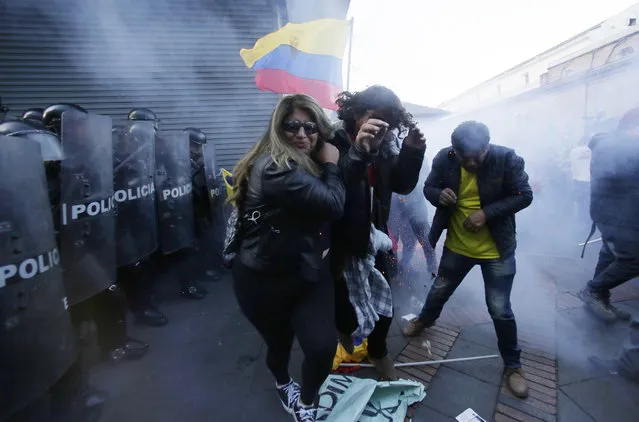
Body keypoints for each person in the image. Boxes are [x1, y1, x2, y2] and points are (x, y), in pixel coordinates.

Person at [229, 94, 345, 422]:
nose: (302, 134)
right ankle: (283, 384)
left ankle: (306, 404)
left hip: (308, 274)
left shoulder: (307, 160)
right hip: (264, 280)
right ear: (278, 128)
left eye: (311, 126)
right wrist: (333, 164)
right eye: (292, 125)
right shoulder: (275, 167)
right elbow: (333, 204)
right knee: (279, 346)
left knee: (322, 349)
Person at [403, 121, 533, 399]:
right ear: (455, 151)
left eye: (478, 155)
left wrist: (486, 213)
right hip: (457, 247)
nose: (472, 162)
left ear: (488, 146)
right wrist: (439, 195)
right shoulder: (444, 157)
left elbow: (524, 195)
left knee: (499, 308)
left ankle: (513, 365)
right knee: (440, 288)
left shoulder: (506, 158)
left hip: (496, 249)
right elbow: (428, 188)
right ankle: (424, 319)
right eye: (466, 158)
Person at [329, 85, 426, 380]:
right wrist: (359, 149)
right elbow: (336, 190)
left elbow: (401, 185)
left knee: (385, 305)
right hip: (340, 240)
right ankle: (346, 340)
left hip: (376, 237)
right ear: (356, 112)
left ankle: (378, 349)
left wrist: (412, 151)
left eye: (390, 123)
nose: (383, 127)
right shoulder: (331, 139)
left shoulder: (385, 146)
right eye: (377, 118)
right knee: (343, 304)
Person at [578, 108, 639, 323]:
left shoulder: (622, 145)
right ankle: (593, 290)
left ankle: (600, 298)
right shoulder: (614, 146)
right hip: (615, 214)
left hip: (621, 212)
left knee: (610, 255)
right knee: (633, 260)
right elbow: (613, 177)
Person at [568, 136, 592, 230]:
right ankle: (587, 225)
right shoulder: (584, 150)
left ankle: (582, 225)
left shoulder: (573, 151)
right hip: (585, 182)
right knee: (588, 204)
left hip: (577, 181)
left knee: (582, 205)